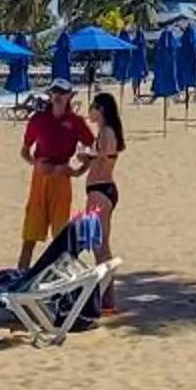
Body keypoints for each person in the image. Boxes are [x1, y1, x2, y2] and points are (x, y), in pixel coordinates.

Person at [17, 78, 93, 271]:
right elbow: (24, 151)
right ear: (50, 95)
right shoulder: (38, 119)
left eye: (62, 92)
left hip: (61, 178)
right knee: (30, 234)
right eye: (54, 92)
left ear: (70, 96)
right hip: (39, 178)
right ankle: (19, 276)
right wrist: (36, 164)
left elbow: (92, 151)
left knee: (60, 236)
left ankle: (60, 277)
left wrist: (76, 171)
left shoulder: (76, 122)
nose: (58, 96)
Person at [80, 89, 125, 309]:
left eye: (93, 107)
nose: (90, 112)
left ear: (101, 110)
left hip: (101, 190)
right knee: (101, 244)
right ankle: (107, 297)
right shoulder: (105, 131)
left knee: (100, 246)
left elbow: (107, 154)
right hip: (101, 189)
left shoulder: (107, 131)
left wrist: (88, 154)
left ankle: (107, 297)